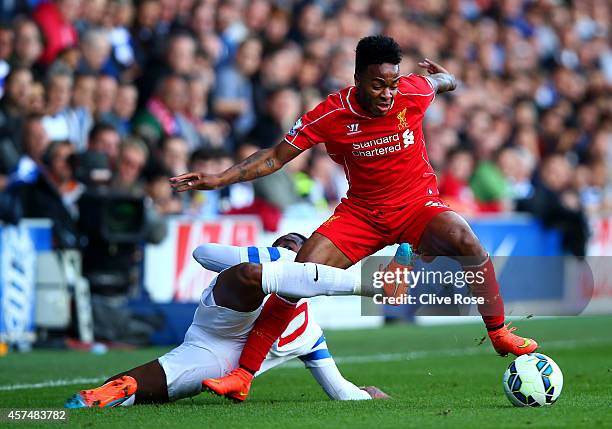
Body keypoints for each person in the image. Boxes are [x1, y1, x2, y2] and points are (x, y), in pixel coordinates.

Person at [170, 35, 538, 401]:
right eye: (378, 85)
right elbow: (274, 157)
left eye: (392, 85)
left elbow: (440, 83)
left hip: (417, 206)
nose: (387, 94)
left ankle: (499, 332)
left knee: (466, 240)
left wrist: (448, 78)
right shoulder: (331, 113)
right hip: (362, 214)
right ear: (358, 78)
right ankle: (244, 375)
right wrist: (219, 178)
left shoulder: (413, 92)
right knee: (298, 274)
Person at [64, 233, 389, 408]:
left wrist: (367, 394)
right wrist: (273, 258)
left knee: (125, 389)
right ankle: (375, 285)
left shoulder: (309, 334)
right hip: (222, 321)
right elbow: (202, 253)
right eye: (281, 247)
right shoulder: (261, 266)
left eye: (293, 249)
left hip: (213, 358)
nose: (286, 250)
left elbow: (340, 391)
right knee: (251, 275)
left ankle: (89, 402)